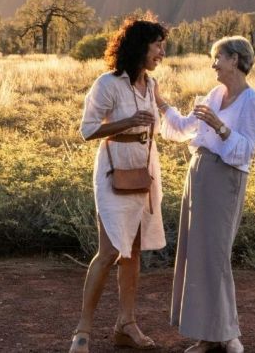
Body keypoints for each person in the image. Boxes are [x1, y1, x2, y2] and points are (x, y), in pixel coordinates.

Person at [155, 35, 255, 353]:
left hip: (225, 177)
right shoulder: (214, 94)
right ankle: (207, 335)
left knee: (216, 256)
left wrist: (220, 127)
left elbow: (245, 150)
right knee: (198, 256)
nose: (213, 64)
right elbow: (184, 128)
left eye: (217, 57)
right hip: (199, 174)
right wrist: (162, 103)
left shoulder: (251, 102)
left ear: (235, 59)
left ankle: (229, 334)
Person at [70, 18, 168, 353]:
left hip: (144, 171)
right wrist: (127, 123)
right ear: (139, 46)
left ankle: (126, 324)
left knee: (134, 251)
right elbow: (87, 130)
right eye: (157, 45)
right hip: (114, 173)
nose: (161, 52)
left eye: (162, 46)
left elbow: (161, 123)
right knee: (111, 251)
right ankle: (82, 330)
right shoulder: (108, 84)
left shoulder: (151, 85)